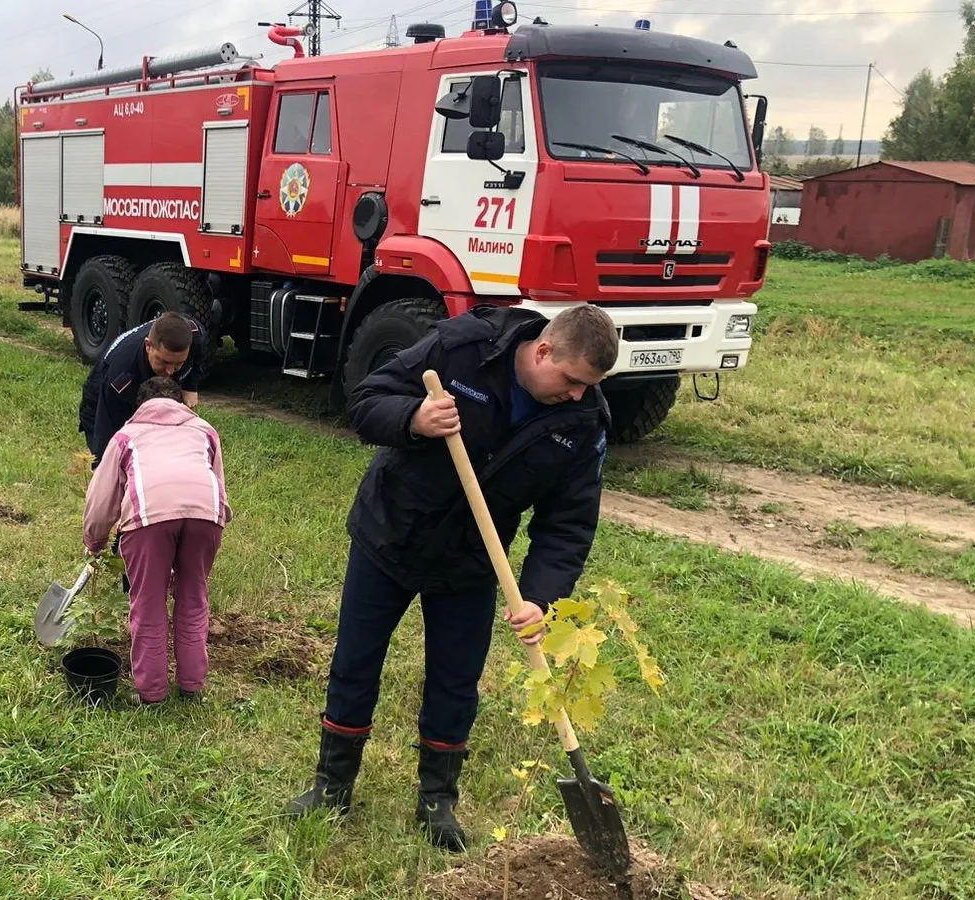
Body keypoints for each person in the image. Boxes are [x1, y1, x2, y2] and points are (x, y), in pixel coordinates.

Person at [285, 304, 618, 851]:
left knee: (456, 680)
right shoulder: (463, 349)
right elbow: (366, 400)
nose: (579, 394)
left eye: (590, 386)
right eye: (574, 380)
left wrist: (539, 598)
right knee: (356, 659)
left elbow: (569, 524)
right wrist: (414, 419)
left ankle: (437, 799)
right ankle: (332, 784)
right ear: (542, 352)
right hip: (391, 531)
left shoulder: (582, 423)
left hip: (470, 561)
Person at [83, 377, 232, 704]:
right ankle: (192, 688)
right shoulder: (205, 431)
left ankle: (151, 693)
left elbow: (100, 501)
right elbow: (216, 483)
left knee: (148, 603)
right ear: (181, 404)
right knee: (193, 596)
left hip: (149, 516)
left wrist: (94, 542)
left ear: (139, 407)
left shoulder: (126, 436)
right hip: (206, 514)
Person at [78, 311, 209, 465]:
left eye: (179, 363)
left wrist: (190, 386)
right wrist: (104, 469)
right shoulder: (122, 378)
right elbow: (107, 435)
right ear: (148, 346)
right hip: (100, 400)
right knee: (119, 460)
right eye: (164, 362)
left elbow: (199, 352)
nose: (170, 371)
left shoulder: (194, 335)